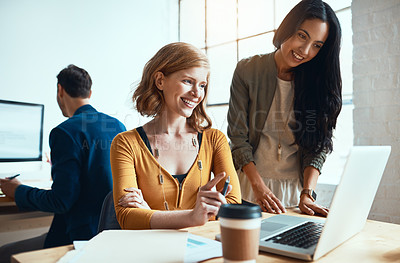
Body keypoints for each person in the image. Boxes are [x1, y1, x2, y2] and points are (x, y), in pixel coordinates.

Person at [0, 65, 126, 261]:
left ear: (60, 90)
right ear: (90, 93)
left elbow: (60, 201)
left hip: (79, 239)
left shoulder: (64, 132)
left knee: (4, 253)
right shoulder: (118, 126)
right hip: (113, 236)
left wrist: (17, 190)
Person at [227, 0, 341, 216]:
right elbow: (237, 137)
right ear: (288, 28)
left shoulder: (317, 84)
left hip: (294, 197)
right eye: (302, 35)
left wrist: (308, 193)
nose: (305, 51)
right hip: (248, 191)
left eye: (317, 45)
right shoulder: (247, 70)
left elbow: (318, 145)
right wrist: (259, 189)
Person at [111, 42, 241, 230]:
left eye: (202, 85)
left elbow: (233, 204)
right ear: (160, 81)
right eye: (188, 81)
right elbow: (127, 218)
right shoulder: (126, 143)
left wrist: (149, 214)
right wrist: (194, 215)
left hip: (204, 249)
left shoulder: (215, 140)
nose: (197, 93)